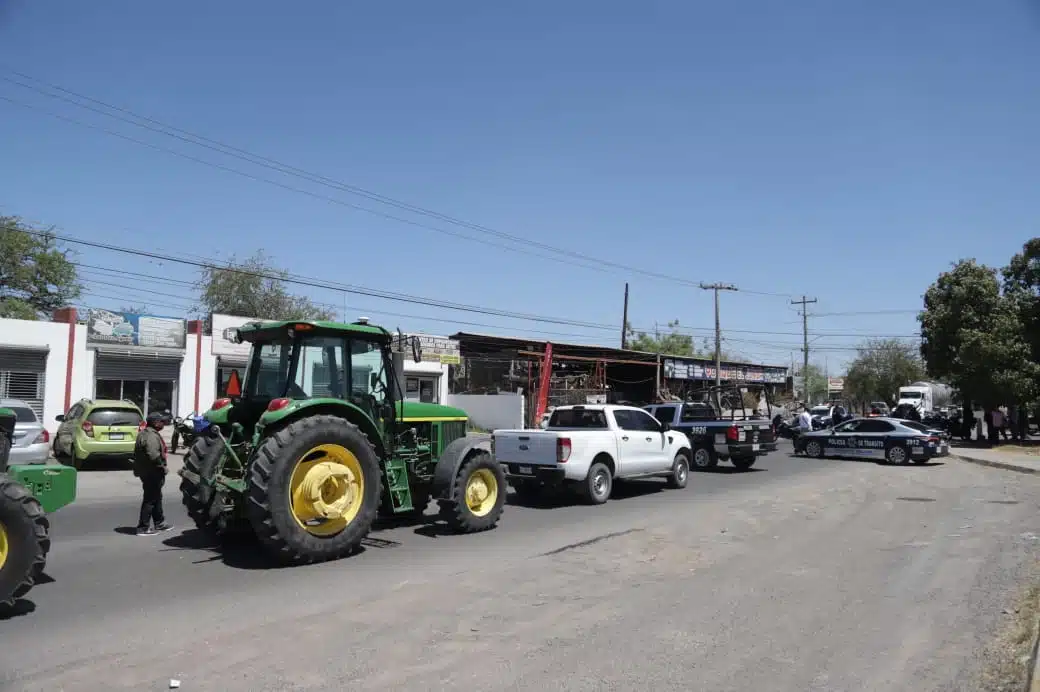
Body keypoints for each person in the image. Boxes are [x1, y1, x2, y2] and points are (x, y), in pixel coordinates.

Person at [133, 412, 174, 536]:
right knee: (150, 499)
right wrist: (162, 467)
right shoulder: (150, 436)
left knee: (156, 497)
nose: (163, 424)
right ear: (156, 423)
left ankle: (159, 522)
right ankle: (143, 528)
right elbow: (153, 455)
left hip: (148, 471)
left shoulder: (148, 433)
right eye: (161, 421)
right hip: (152, 472)